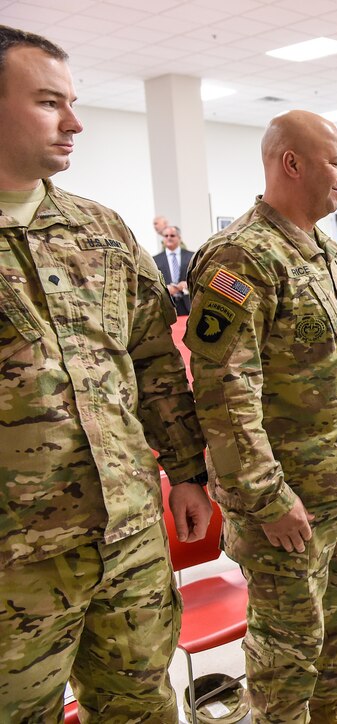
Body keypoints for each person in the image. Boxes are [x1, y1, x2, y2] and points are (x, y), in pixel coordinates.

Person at [0, 25, 211, 722]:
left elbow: (153, 359)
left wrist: (186, 470)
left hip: (128, 541)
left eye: (73, 101)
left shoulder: (102, 231)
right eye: (49, 102)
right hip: (15, 567)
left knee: (143, 707)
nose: (75, 122)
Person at [184, 110, 337, 724]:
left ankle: (326, 712)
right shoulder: (240, 258)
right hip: (284, 496)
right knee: (290, 641)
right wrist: (267, 498)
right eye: (335, 161)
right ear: (291, 163)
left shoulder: (321, 250)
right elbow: (223, 390)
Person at [153, 224, 194, 315]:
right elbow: (153, 283)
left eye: (172, 235)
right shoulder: (155, 260)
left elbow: (198, 277)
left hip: (187, 304)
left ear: (179, 238)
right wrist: (165, 289)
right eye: (166, 236)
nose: (169, 238)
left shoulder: (192, 256)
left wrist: (189, 284)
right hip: (166, 304)